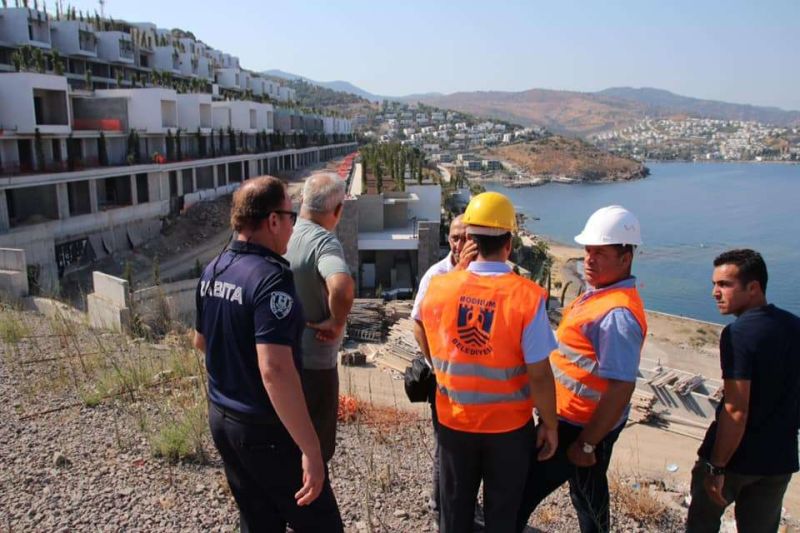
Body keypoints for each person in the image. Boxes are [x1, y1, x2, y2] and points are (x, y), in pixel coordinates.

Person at [194, 176, 343, 532]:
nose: (294, 226)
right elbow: (275, 370)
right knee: (322, 525)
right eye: (291, 217)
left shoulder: (214, 269)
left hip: (223, 418)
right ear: (273, 221)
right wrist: (310, 449)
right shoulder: (271, 279)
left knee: (259, 520)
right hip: (266, 430)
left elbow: (200, 341)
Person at [420, 191, 559, 533]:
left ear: (470, 239)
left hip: (454, 423)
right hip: (509, 431)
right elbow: (539, 374)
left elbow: (421, 328)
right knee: (502, 516)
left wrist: (439, 371)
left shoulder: (439, 287)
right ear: (509, 242)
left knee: (454, 514)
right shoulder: (526, 297)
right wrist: (550, 424)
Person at [517, 205, 647, 533]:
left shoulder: (617, 315)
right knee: (587, 492)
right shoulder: (597, 296)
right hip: (570, 420)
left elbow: (621, 388)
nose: (589, 259)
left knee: (522, 491)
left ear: (625, 257)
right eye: (588, 250)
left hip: (577, 427)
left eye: (600, 253)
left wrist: (587, 443)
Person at [687, 249, 800, 533]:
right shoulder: (794, 326)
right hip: (778, 459)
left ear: (753, 288)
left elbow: (736, 409)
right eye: (714, 284)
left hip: (736, 460)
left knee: (702, 524)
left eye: (725, 284)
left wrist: (716, 467)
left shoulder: (738, 334)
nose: (715, 292)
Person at [284, 172, 354, 464]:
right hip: (315, 365)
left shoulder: (283, 234)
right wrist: (337, 322)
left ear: (303, 201)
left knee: (288, 439)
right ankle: (312, 501)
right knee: (316, 447)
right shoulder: (324, 242)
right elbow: (341, 286)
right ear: (337, 211)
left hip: (280, 358)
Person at [411, 213, 478, 516]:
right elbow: (418, 323)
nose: (459, 243)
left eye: (465, 237)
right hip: (445, 379)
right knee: (445, 446)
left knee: (469, 448)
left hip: (473, 382)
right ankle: (440, 504)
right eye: (454, 237)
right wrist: (435, 365)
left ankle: (462, 501)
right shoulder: (436, 275)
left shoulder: (482, 274)